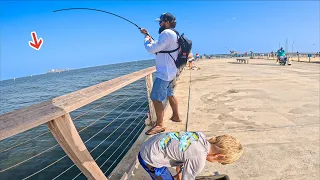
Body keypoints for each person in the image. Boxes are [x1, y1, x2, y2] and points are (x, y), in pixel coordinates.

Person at [138, 131, 243, 180]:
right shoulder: (199, 158)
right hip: (149, 159)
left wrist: (179, 175)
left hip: (151, 144)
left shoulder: (200, 136)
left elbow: (183, 154)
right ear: (219, 156)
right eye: (219, 162)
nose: (217, 163)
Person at [140, 13, 181, 135]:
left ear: (166, 22)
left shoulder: (166, 33)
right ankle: (176, 116)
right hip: (171, 72)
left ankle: (159, 125)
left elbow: (151, 49)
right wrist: (147, 35)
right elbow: (159, 46)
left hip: (164, 73)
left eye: (160, 22)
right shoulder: (174, 34)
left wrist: (146, 39)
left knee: (155, 98)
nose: (159, 24)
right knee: (170, 94)